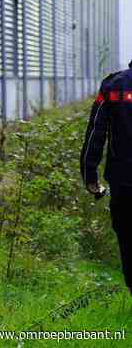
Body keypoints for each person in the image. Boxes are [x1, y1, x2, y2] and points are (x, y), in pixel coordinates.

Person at [80, 62, 132, 295]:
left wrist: (90, 174)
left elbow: (96, 132)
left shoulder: (114, 85)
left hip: (123, 180)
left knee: (128, 237)